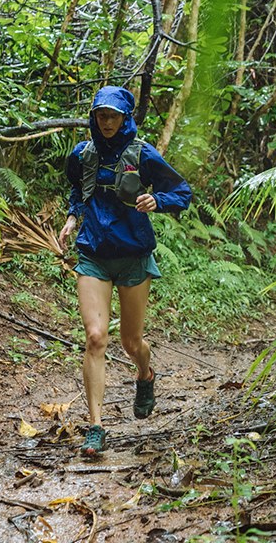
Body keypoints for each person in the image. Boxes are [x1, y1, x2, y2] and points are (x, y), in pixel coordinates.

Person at [59, 85, 192, 457]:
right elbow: (78, 191)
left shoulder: (143, 154)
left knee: (131, 343)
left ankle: (145, 374)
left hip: (133, 255)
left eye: (113, 116)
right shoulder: (82, 154)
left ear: (125, 117)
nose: (106, 122)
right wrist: (72, 218)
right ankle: (96, 427)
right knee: (96, 337)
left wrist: (158, 200)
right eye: (101, 115)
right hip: (93, 254)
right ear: (94, 116)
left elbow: (182, 191)